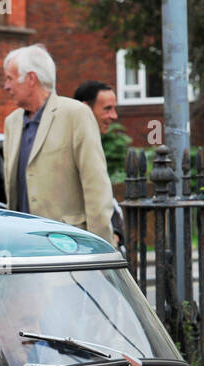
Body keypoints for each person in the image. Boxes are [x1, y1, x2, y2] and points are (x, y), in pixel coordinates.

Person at [2, 45, 114, 243]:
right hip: (23, 245)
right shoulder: (12, 122)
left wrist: (100, 249)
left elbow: (96, 185)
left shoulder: (75, 114)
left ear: (31, 78)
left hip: (68, 245)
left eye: (10, 78)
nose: (6, 87)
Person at [73, 80, 126, 251]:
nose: (114, 116)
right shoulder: (73, 144)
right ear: (85, 109)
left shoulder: (94, 140)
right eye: (107, 109)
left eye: (114, 108)